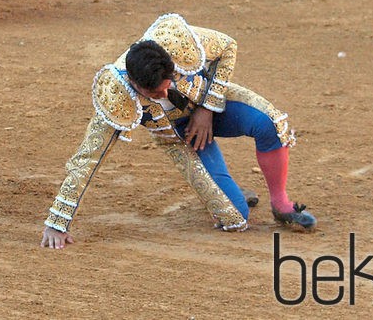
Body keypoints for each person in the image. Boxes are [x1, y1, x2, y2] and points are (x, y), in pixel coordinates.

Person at [41, 13, 317, 249]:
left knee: (270, 123)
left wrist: (206, 108)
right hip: (181, 138)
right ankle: (227, 190)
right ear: (136, 85)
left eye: (168, 81)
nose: (165, 91)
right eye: (155, 92)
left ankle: (281, 204)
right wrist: (57, 222)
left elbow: (227, 47)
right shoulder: (117, 96)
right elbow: (88, 158)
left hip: (212, 104)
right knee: (236, 218)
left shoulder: (174, 41)